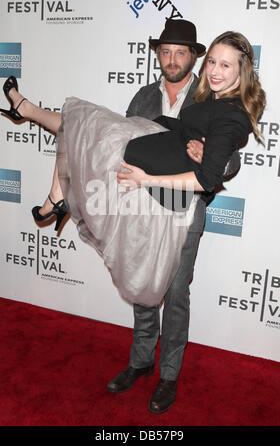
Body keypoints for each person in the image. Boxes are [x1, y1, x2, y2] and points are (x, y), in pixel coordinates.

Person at [0, 26, 265, 414]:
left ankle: (169, 375)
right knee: (140, 283)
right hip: (140, 205)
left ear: (193, 56)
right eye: (166, 52)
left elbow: (230, 158)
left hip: (182, 209)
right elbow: (122, 146)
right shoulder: (144, 95)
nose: (173, 59)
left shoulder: (209, 95)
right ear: (159, 55)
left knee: (175, 295)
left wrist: (209, 153)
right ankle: (140, 362)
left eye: (182, 53)